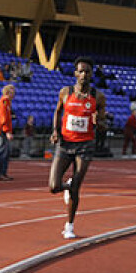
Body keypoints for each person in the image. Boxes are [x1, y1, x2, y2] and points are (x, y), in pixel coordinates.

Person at [49, 56, 106, 240]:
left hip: (85, 145)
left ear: (91, 74)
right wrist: (55, 131)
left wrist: (99, 122)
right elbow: (58, 111)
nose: (84, 75)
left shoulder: (98, 96)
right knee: (53, 186)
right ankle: (65, 187)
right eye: (81, 71)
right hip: (65, 143)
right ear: (75, 73)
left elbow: (103, 124)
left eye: (87, 72)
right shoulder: (65, 92)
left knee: (76, 187)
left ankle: (69, 225)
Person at [0, 84, 16, 181]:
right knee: (2, 152)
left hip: (3, 130)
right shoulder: (4, 102)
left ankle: (3, 172)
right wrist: (7, 131)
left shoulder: (7, 103)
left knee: (5, 152)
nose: (14, 94)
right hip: (2, 130)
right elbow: (4, 119)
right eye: (12, 92)